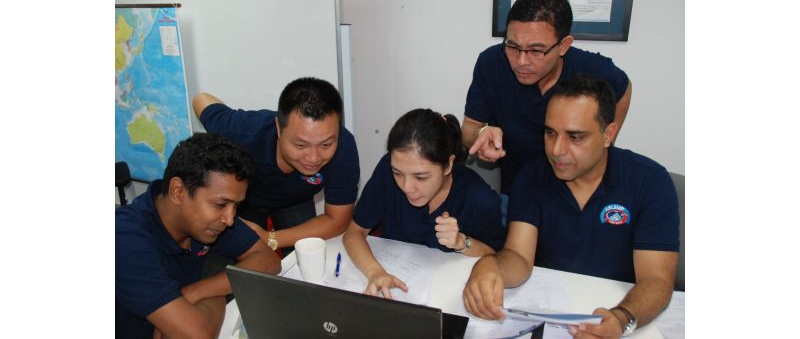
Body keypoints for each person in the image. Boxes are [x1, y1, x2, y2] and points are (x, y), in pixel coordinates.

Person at [463, 77, 679, 339]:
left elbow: (656, 281)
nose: (556, 150)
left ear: (608, 134)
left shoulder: (649, 182)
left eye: (575, 137)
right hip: (546, 313)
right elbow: (518, 257)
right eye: (550, 133)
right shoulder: (532, 176)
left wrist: (621, 319)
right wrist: (491, 266)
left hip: (620, 309)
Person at [463, 0, 633, 218]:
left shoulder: (592, 70)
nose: (521, 61)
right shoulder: (492, 63)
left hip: (577, 191)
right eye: (512, 46)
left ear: (563, 45)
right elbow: (470, 129)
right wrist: (482, 133)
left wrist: (605, 140)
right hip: (520, 190)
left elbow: (624, 88)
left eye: (536, 50)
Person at [116, 133, 281, 339]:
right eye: (221, 204)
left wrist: (198, 291)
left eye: (236, 206)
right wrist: (218, 287)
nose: (230, 219)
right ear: (178, 191)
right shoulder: (124, 240)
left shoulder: (209, 220)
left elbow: (269, 261)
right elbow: (198, 335)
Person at [343, 108, 506, 299]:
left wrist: (461, 242)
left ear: (448, 165)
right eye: (398, 173)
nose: (407, 187)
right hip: (398, 291)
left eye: (421, 177)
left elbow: (496, 259)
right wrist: (375, 272)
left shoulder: (478, 199)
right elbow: (354, 233)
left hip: (448, 296)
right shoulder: (386, 171)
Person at [193, 77, 359, 254]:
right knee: (235, 262)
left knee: (306, 257)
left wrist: (271, 239)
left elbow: (337, 220)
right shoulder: (242, 132)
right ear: (279, 128)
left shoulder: (343, 145)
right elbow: (200, 99)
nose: (313, 158)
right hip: (244, 199)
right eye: (301, 145)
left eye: (325, 145)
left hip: (295, 198)